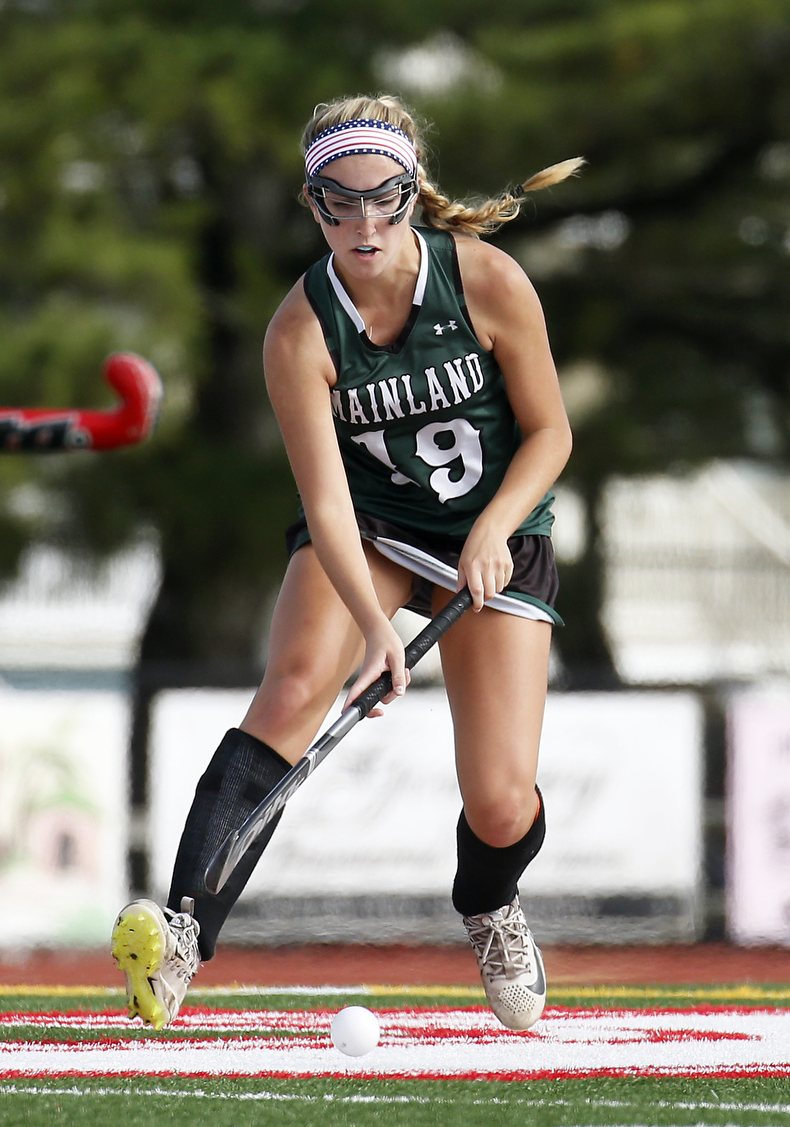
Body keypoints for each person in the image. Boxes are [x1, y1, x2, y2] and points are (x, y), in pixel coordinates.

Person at [113, 94, 577, 1033]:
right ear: (311, 201)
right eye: (338, 202)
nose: (363, 225)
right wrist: (374, 631)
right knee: (290, 693)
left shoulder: (487, 281)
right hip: (370, 525)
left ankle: (490, 905)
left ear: (412, 192)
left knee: (498, 799)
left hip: (497, 529)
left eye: (383, 200)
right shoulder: (299, 330)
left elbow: (551, 432)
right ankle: (181, 934)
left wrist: (492, 529)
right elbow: (325, 502)